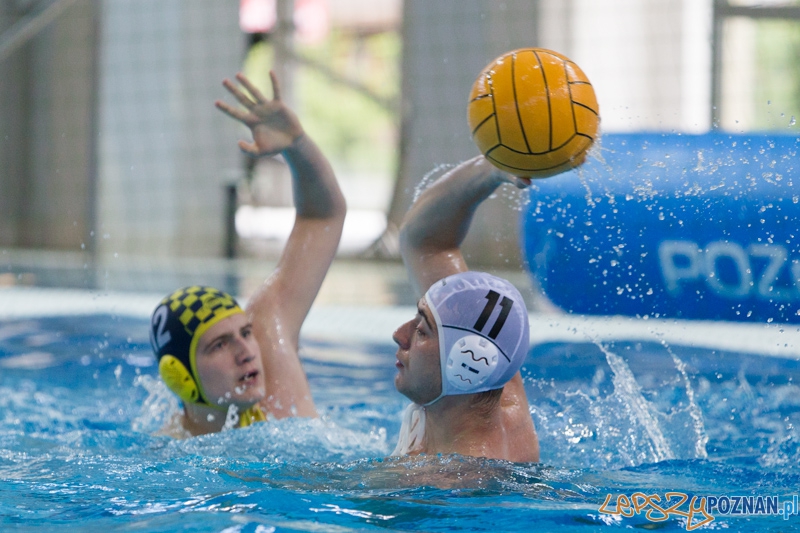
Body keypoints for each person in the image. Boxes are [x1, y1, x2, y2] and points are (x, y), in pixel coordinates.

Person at [149, 72, 346, 437]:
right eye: (219, 345)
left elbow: (323, 217)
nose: (247, 352)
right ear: (181, 377)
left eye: (245, 332)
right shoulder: (166, 464)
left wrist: (297, 147)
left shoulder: (270, 356)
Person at [391, 155, 540, 462]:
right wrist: (494, 168)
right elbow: (424, 240)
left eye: (421, 331)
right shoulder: (493, 383)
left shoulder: (441, 483)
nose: (399, 335)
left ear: (468, 364)